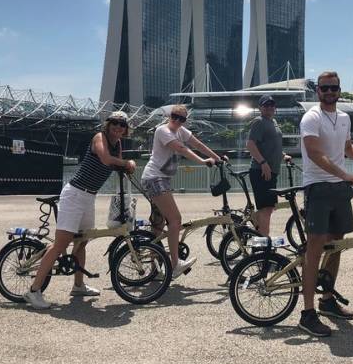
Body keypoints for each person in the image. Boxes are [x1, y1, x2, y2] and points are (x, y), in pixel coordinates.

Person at [298, 71, 353, 337]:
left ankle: (327, 300)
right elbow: (314, 152)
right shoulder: (311, 117)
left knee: (337, 243)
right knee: (315, 248)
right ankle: (307, 313)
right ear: (318, 91)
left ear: (339, 90)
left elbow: (347, 148)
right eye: (324, 88)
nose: (329, 92)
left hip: (339, 189)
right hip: (318, 186)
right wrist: (344, 175)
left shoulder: (344, 117)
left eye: (333, 88)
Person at [24, 110, 135, 310]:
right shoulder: (99, 138)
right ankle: (33, 291)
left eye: (122, 124)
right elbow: (105, 159)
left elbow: (115, 164)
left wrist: (126, 167)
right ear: (108, 124)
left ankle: (78, 285)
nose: (118, 127)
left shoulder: (117, 144)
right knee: (60, 246)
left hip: (89, 196)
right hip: (74, 194)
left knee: (82, 241)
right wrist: (127, 162)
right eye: (115, 123)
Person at [140, 104, 226, 277]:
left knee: (159, 224)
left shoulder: (181, 131)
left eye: (182, 118)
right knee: (176, 220)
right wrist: (203, 162)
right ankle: (175, 263)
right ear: (169, 116)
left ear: (185, 121)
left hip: (160, 179)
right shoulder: (162, 130)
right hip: (154, 178)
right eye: (175, 116)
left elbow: (198, 144)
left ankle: (155, 268)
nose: (177, 120)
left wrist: (218, 158)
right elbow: (181, 149)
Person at [246, 94, 292, 236]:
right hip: (261, 171)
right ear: (260, 108)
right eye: (266, 105)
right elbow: (250, 144)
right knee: (266, 209)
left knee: (268, 208)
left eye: (272, 105)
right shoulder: (259, 121)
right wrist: (263, 162)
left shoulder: (273, 122)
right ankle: (264, 246)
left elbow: (272, 145)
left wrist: (284, 155)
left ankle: (259, 241)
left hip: (271, 171)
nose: (270, 107)